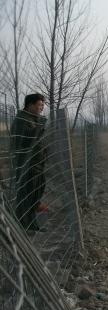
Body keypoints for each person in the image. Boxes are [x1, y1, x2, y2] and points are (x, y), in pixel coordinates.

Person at [10, 93, 48, 232]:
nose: (41, 107)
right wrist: (39, 127)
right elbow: (25, 140)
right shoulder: (21, 119)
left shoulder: (34, 118)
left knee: (35, 194)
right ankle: (24, 226)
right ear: (30, 105)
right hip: (27, 164)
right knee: (26, 195)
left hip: (36, 163)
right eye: (39, 104)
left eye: (43, 105)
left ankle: (32, 224)